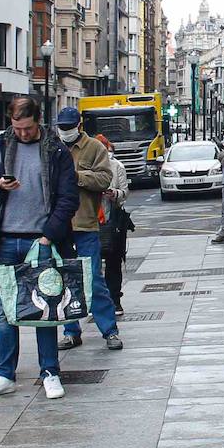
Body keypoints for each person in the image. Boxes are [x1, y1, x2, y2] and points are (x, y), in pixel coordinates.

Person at [0, 97, 80, 400]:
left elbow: (68, 198)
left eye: (29, 128)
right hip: (5, 238)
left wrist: (48, 236)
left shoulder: (56, 150)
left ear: (38, 121)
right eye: (17, 128)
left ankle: (50, 372)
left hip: (40, 240)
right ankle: (4, 374)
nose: (23, 134)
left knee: (45, 310)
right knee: (7, 314)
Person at [50, 108, 123, 351]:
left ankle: (109, 330)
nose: (65, 131)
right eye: (62, 126)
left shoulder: (94, 147)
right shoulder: (52, 147)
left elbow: (104, 180)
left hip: (84, 222)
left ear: (78, 125)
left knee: (92, 279)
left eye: (69, 127)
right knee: (64, 280)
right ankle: (71, 330)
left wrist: (76, 175)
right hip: (58, 225)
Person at [94, 133, 130, 315]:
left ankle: (115, 300)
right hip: (92, 221)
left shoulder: (117, 167)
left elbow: (124, 192)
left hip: (112, 220)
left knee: (113, 261)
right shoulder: (87, 167)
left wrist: (114, 193)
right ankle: (97, 302)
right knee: (93, 265)